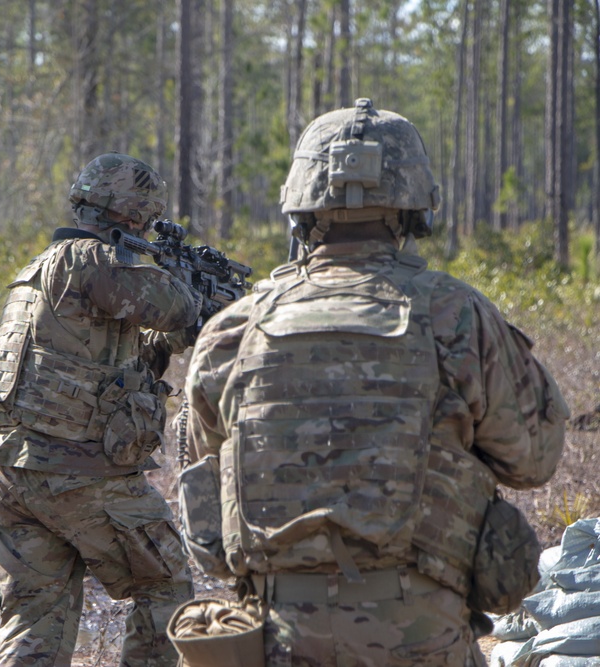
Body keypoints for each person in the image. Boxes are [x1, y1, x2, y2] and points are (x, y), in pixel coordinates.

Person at [178, 99, 568, 666]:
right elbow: (534, 460)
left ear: (302, 206)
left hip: (278, 636)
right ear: (413, 206)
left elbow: (209, 482)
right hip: (421, 635)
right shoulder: (454, 313)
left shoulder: (234, 328)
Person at [0, 152, 199, 667]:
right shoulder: (90, 261)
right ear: (132, 215)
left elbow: (117, 356)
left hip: (11, 475)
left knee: (36, 621)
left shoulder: (38, 269)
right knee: (166, 581)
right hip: (75, 474)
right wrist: (186, 285)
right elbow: (177, 307)